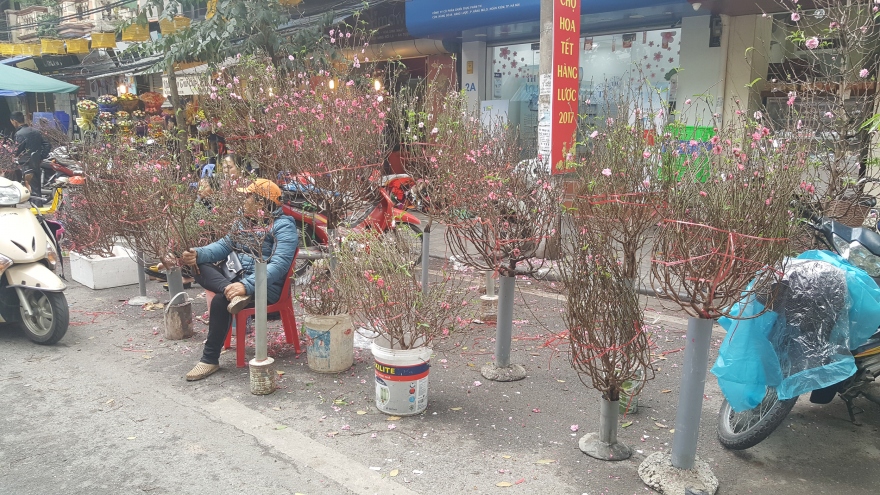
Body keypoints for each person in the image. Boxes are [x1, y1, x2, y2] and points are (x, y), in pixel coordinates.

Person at [180, 178, 298, 381]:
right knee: (197, 265)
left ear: (261, 203)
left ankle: (209, 360)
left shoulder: (283, 226)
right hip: (236, 279)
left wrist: (246, 285)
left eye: (248, 196)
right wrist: (197, 254)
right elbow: (222, 247)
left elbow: (279, 266)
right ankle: (230, 291)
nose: (244, 200)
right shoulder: (242, 223)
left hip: (264, 287)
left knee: (219, 300)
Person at [9, 111, 44, 194]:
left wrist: (11, 155)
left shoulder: (19, 134)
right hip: (36, 162)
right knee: (36, 188)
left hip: (26, 164)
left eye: (11, 122)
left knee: (31, 189)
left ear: (14, 121)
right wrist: (40, 157)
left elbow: (17, 150)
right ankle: (38, 205)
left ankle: (36, 205)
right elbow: (47, 145)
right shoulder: (36, 131)